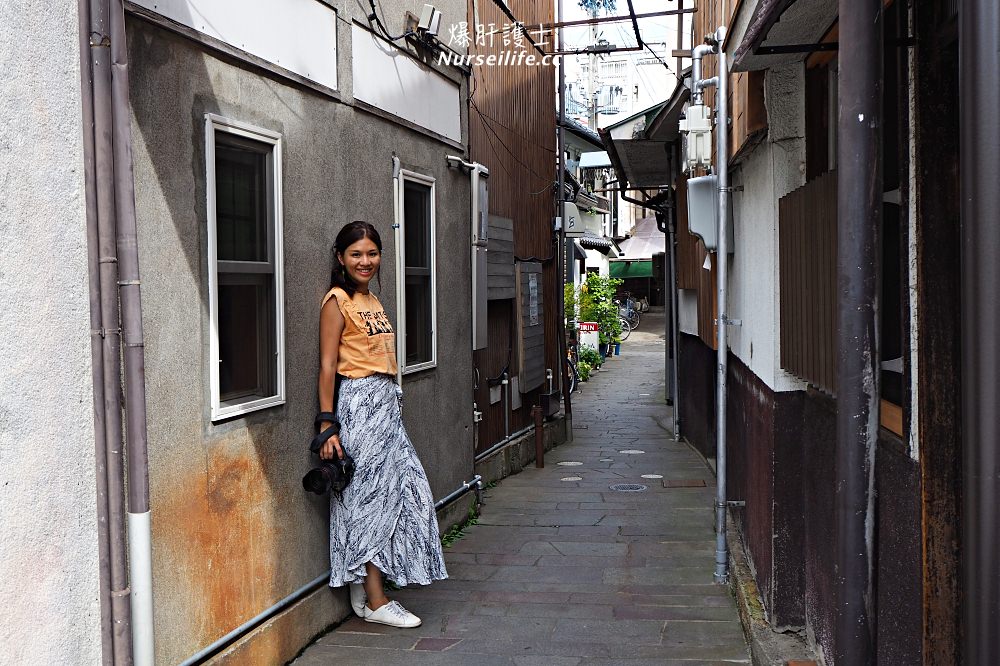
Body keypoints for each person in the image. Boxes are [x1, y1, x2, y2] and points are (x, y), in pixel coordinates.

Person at [317, 221, 447, 628]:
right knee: (372, 500)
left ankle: (364, 582)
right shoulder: (337, 302)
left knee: (404, 494)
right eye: (356, 254)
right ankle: (375, 600)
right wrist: (327, 425)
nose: (365, 261)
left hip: (386, 407)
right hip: (359, 404)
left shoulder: (372, 300)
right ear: (341, 257)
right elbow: (326, 366)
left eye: (372, 253)